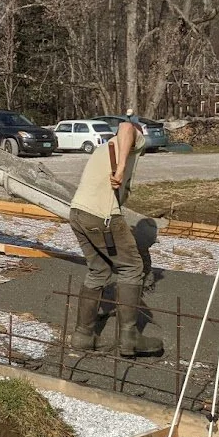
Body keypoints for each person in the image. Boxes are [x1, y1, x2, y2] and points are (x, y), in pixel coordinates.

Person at [68, 116, 163, 358]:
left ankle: (83, 335)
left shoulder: (103, 149)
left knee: (98, 270)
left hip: (78, 214)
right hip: (102, 216)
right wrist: (121, 169)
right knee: (131, 268)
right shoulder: (131, 142)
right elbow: (126, 127)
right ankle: (129, 339)